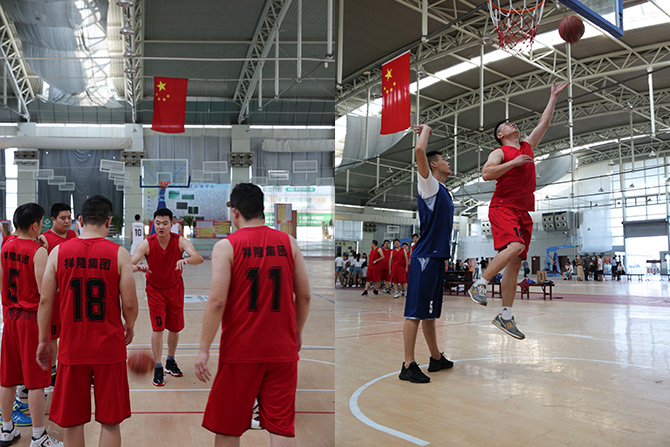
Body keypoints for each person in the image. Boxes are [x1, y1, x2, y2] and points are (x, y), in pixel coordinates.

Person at [195, 183, 310, 447]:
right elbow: (304, 296)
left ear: (235, 212)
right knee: (281, 429)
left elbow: (217, 302)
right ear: (261, 209)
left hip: (241, 351)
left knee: (227, 429)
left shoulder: (226, 246)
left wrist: (203, 349)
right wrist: (297, 331)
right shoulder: (289, 242)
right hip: (282, 349)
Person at [468, 81, 569, 340]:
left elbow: (543, 123)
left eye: (512, 123)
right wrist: (513, 164)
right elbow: (487, 174)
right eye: (506, 124)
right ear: (500, 134)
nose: (512, 124)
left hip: (523, 212)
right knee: (514, 246)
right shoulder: (500, 152)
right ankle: (480, 283)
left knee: (515, 264)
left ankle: (505, 316)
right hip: (503, 207)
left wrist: (553, 97)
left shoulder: (526, 146)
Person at [36, 195, 138, 447]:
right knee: (110, 422)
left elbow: (45, 301)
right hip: (109, 348)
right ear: (109, 221)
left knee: (72, 423)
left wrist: (43, 339)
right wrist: (130, 325)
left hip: (72, 348)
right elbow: (129, 304)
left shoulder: (58, 253)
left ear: (80, 220)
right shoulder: (119, 254)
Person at [0, 204, 62, 447]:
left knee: (7, 378)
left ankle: (6, 429)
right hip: (31, 319)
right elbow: (44, 292)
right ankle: (38, 436)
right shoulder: (38, 251)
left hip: (10, 317)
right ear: (35, 225)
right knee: (36, 381)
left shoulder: (5, 247)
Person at [400, 124, 455, 384]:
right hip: (424, 258)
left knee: (430, 313)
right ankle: (408, 365)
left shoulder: (444, 190)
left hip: (436, 258)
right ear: (433, 165)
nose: (448, 162)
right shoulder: (429, 184)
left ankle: (435, 357)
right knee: (414, 313)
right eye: (444, 159)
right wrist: (427, 129)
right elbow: (419, 150)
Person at [131, 208, 204, 387]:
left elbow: (198, 258)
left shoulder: (180, 241)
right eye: (158, 223)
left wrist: (186, 260)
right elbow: (127, 264)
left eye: (165, 223)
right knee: (158, 328)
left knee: (174, 328)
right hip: (155, 291)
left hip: (175, 289)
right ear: (153, 224)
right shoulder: (147, 244)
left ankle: (170, 360)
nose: (161, 227)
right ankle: (158, 367)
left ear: (172, 224)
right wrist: (138, 268)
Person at [38, 203, 78, 386]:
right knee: (53, 336)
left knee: (73, 334)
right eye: (63, 218)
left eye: (69, 217)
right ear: (53, 219)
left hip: (72, 296)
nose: (67, 221)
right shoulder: (44, 239)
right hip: (55, 298)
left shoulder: (73, 236)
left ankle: (73, 367)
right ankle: (53, 372)